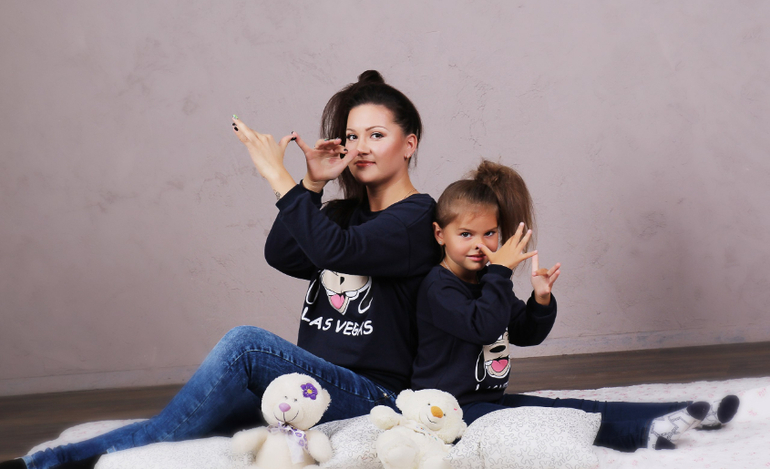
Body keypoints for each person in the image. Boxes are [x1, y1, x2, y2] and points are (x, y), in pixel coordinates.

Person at [4, 70, 441, 469]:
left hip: (373, 395)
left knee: (246, 345)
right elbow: (284, 255)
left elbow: (340, 252)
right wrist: (311, 184)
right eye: (352, 136)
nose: (361, 148)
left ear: (409, 144)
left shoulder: (417, 219)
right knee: (180, 424)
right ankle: (39, 464)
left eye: (377, 135)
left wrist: (275, 174)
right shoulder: (343, 215)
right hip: (304, 388)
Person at [410, 159, 739, 452]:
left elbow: (525, 333)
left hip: (486, 400)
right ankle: (641, 434)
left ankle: (690, 411)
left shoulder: (488, 280)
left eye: (489, 233)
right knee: (555, 422)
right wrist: (499, 273)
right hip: (450, 412)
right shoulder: (439, 287)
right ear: (440, 235)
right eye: (465, 234)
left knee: (578, 408)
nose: (479, 245)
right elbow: (483, 327)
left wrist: (541, 299)